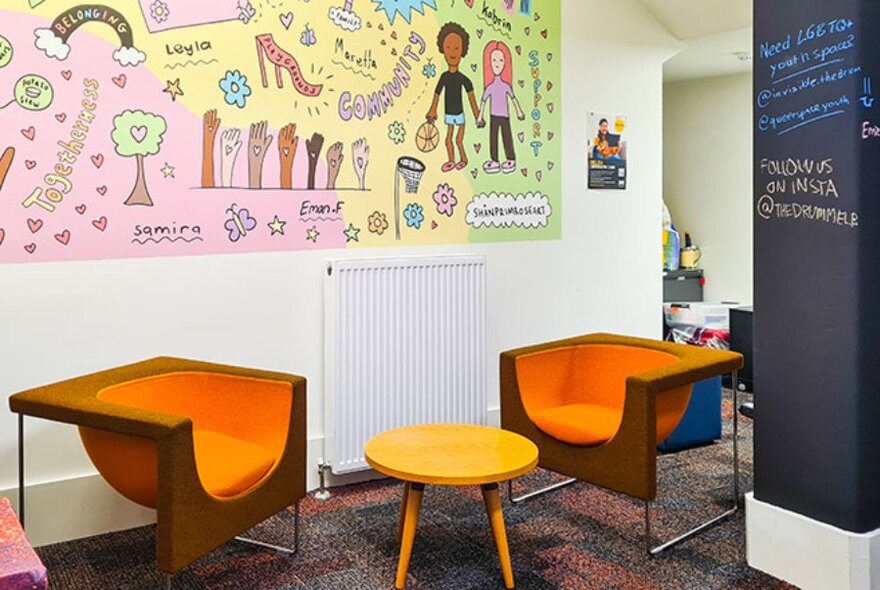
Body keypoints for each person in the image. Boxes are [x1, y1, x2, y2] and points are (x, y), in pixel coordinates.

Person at [426, 23, 480, 172]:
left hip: (460, 115)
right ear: (442, 49)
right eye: (448, 47)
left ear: (462, 51)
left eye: (456, 48)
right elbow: (437, 94)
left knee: (458, 140)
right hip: (449, 114)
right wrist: (433, 110)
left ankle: (463, 159)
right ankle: (451, 160)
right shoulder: (443, 77)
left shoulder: (464, 79)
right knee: (448, 139)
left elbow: (471, 99)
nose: (452, 52)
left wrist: (478, 116)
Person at [477, 41, 525, 174]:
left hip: (504, 115)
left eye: (500, 60)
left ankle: (511, 158)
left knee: (506, 136)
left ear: (505, 63)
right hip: (493, 115)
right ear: (489, 63)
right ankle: (494, 160)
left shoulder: (505, 86)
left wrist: (519, 112)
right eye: (493, 60)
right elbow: (483, 102)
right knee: (493, 137)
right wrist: (480, 116)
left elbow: (513, 99)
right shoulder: (490, 87)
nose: (497, 63)